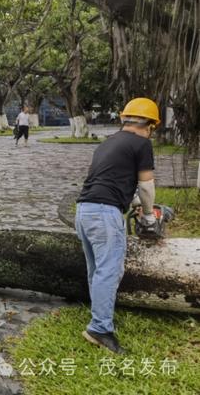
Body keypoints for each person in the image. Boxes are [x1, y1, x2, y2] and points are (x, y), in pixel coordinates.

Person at [75, 97, 159, 354]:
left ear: (125, 119)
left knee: (97, 269)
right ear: (149, 125)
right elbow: (146, 185)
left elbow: (112, 181)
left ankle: (100, 316)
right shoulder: (141, 143)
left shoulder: (108, 143)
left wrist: (131, 201)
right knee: (110, 271)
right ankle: (99, 328)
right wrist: (148, 216)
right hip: (104, 214)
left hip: (84, 210)